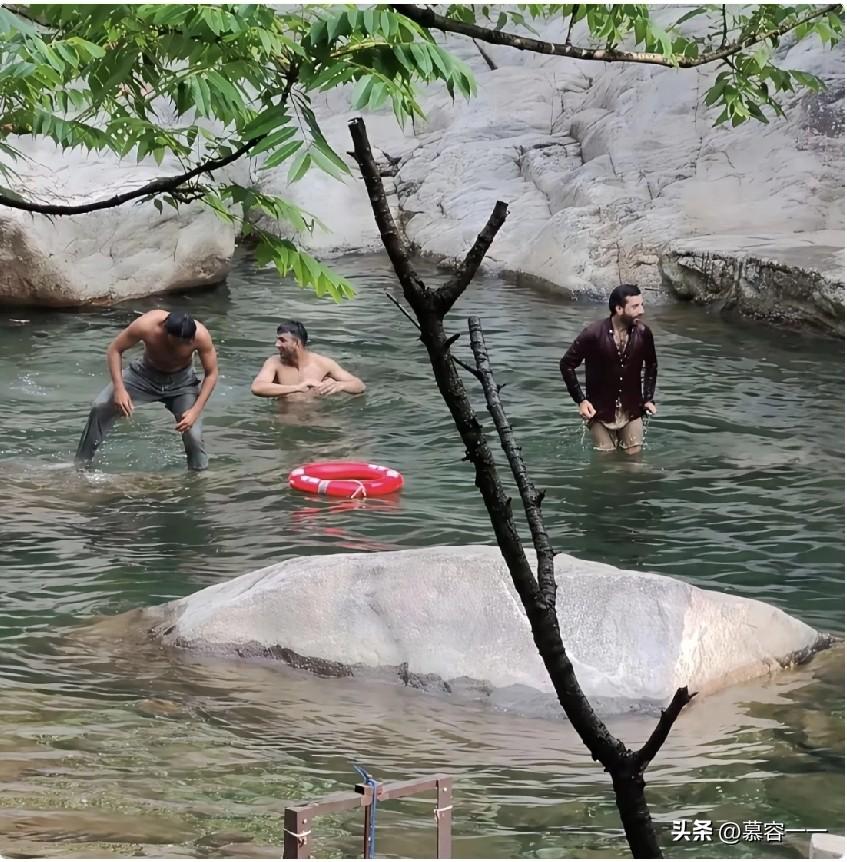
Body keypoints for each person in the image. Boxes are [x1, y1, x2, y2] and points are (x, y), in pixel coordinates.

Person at [75, 310, 218, 471]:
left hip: (182, 384)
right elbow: (115, 349)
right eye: (180, 342)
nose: (185, 345)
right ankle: (82, 464)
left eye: (189, 342)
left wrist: (195, 412)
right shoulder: (146, 325)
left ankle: (198, 475)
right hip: (142, 376)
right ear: (166, 331)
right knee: (100, 406)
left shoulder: (201, 336)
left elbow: (211, 374)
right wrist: (119, 388)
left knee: (193, 434)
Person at [560, 284, 657, 455]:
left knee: (635, 463)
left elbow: (651, 365)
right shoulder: (593, 333)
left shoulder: (644, 333)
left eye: (642, 305)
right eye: (635, 306)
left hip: (632, 410)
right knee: (607, 461)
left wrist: (648, 398)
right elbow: (566, 364)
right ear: (619, 309)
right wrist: (581, 401)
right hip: (599, 411)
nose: (641, 311)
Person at [250, 319, 365, 399]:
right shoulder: (274, 363)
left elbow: (359, 385)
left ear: (297, 343)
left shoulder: (323, 363)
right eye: (277, 340)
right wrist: (297, 388)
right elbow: (257, 387)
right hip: (286, 417)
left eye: (282, 340)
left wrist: (340, 386)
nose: (277, 344)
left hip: (317, 416)